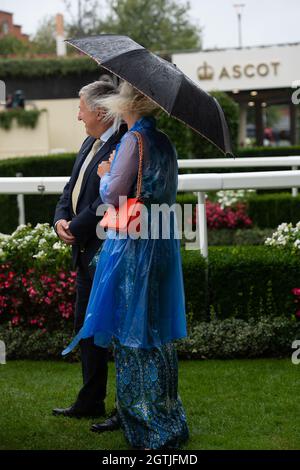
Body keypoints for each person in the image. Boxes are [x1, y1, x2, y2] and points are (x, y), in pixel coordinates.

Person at [63, 81, 189, 449]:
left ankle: (146, 424)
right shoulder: (163, 141)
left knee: (133, 331)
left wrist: (105, 175)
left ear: (125, 103)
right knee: (156, 331)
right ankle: (168, 419)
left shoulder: (134, 140)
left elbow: (112, 194)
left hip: (134, 245)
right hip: (161, 240)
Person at [53, 79, 126, 418]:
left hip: (107, 252)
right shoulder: (89, 142)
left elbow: (108, 202)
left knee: (117, 332)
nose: (78, 115)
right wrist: (60, 222)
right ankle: (90, 400)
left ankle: (126, 406)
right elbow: (70, 190)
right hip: (84, 252)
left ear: (99, 111)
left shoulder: (126, 145)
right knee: (87, 328)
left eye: (81, 108)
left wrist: (76, 227)